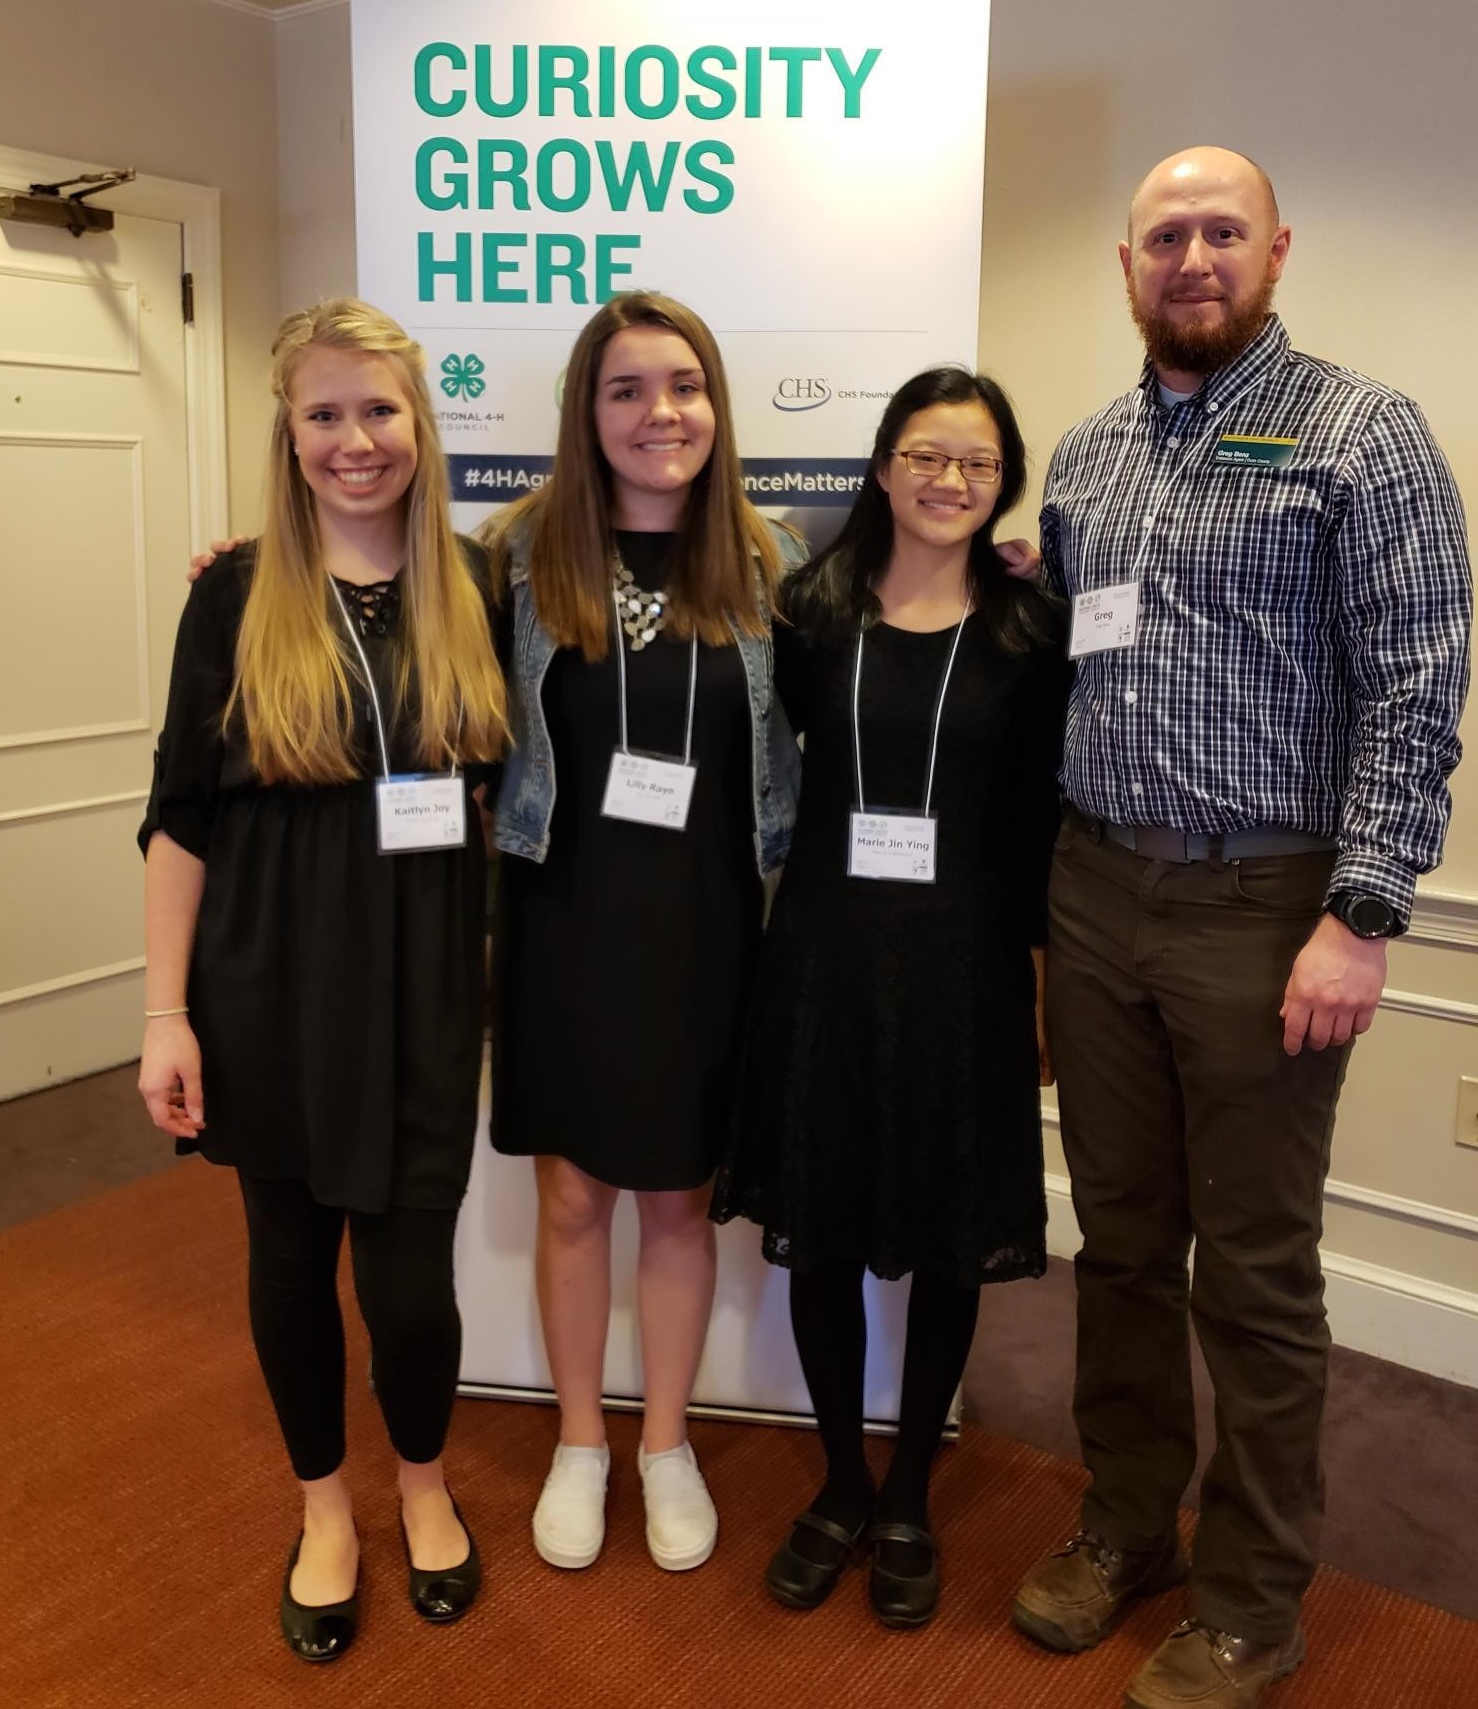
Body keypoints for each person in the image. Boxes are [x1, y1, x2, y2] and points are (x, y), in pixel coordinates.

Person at [1012, 148, 1472, 1709]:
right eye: (1163, 237)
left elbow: (1418, 688)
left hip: (1265, 902)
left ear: (1275, 249)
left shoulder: (1364, 434)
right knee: (1121, 1247)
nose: (1192, 257)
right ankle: (1130, 1522)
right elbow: (1065, 658)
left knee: (1255, 1272)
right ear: (1123, 266)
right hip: (1096, 889)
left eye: (1222, 232)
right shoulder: (1082, 458)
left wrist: (1362, 911)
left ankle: (1253, 1598)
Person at [137, 299, 507, 1663]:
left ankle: (420, 1481)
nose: (356, 441)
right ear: (289, 439)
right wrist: (165, 1012)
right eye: (324, 415)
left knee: (412, 1288)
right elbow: (180, 815)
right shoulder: (232, 595)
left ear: (422, 423)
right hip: (265, 990)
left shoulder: (483, 587)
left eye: (380, 411)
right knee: (289, 1266)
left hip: (418, 990)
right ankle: (325, 1510)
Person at [712, 366, 1069, 1629]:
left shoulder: (1031, 635)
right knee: (819, 1225)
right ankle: (842, 1484)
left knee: (947, 1235)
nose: (949, 481)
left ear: (1000, 483)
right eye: (926, 455)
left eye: (976, 463)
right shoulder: (808, 612)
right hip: (823, 963)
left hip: (964, 970)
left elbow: (1033, 831)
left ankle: (913, 1489)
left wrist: (1036, 991)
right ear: (880, 466)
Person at [485, 290, 806, 1576]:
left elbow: (906, 623)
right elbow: (381, 608)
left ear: (715, 405)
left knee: (679, 1202)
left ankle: (663, 1441)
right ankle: (579, 1440)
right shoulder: (514, 555)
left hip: (709, 926)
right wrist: (240, 567)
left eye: (682, 385)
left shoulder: (771, 557)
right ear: (588, 411)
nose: (657, 413)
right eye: (625, 390)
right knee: (571, 1198)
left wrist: (1011, 570)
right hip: (564, 917)